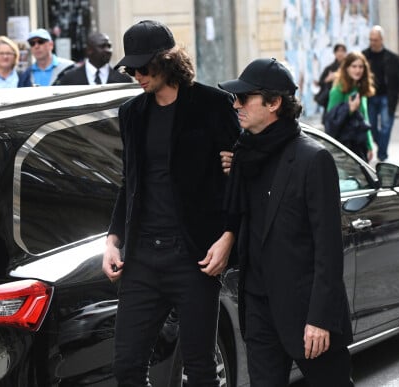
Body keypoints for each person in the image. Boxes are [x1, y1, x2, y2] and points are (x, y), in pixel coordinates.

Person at [101, 20, 240, 386]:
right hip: (142, 259)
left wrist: (228, 236)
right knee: (127, 367)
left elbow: (238, 183)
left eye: (143, 67)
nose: (136, 75)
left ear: (167, 60)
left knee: (199, 368)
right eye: (130, 68)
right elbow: (129, 184)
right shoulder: (132, 114)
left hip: (193, 257)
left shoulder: (212, 104)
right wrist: (112, 240)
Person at [218, 58, 354, 387]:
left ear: (274, 102)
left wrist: (320, 318)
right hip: (259, 308)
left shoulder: (312, 159)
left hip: (307, 312)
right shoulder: (244, 157)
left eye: (244, 97)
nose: (236, 104)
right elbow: (237, 219)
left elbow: (329, 248)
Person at [362, 25, 399, 162]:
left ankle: (382, 154)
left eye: (375, 40)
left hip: (388, 96)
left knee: (386, 125)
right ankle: (381, 146)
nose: (372, 43)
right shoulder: (364, 56)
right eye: (370, 40)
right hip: (370, 96)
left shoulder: (392, 58)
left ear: (381, 40)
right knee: (371, 126)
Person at [325, 51, 375, 162]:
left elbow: (364, 119)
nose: (358, 70)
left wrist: (369, 145)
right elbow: (330, 120)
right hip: (344, 146)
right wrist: (349, 109)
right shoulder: (338, 90)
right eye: (354, 66)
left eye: (361, 67)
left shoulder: (360, 89)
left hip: (359, 144)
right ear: (346, 68)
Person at [57, 31, 132, 85]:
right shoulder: (69, 79)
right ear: (89, 50)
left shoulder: (124, 80)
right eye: (102, 46)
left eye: (109, 46)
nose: (108, 50)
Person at [315, 43, 347, 120]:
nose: (340, 53)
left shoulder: (349, 67)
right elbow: (321, 82)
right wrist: (328, 79)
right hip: (331, 98)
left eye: (342, 51)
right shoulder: (330, 68)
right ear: (335, 53)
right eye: (338, 51)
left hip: (345, 97)